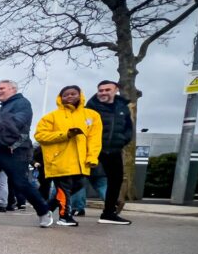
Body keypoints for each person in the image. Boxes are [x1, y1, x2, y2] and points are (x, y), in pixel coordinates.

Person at [0, 80, 53, 227]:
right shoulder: (0, 110)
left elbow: (16, 122)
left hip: (15, 150)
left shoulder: (22, 103)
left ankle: (44, 211)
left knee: (20, 183)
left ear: (13, 89)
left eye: (1, 88)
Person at [34, 85, 102, 227]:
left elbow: (95, 139)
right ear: (60, 98)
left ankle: (47, 209)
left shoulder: (92, 116)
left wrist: (92, 157)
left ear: (80, 95)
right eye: (65, 95)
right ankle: (65, 216)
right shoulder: (51, 117)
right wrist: (65, 135)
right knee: (64, 188)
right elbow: (40, 136)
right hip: (59, 159)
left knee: (76, 186)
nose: (69, 97)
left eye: (73, 94)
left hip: (81, 161)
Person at [82, 79, 133, 225]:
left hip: (114, 150)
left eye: (107, 90)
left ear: (115, 90)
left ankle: (108, 213)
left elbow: (129, 127)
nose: (103, 93)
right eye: (101, 90)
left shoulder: (123, 107)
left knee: (115, 181)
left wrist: (123, 140)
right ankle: (48, 208)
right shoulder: (91, 107)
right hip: (93, 150)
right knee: (76, 180)